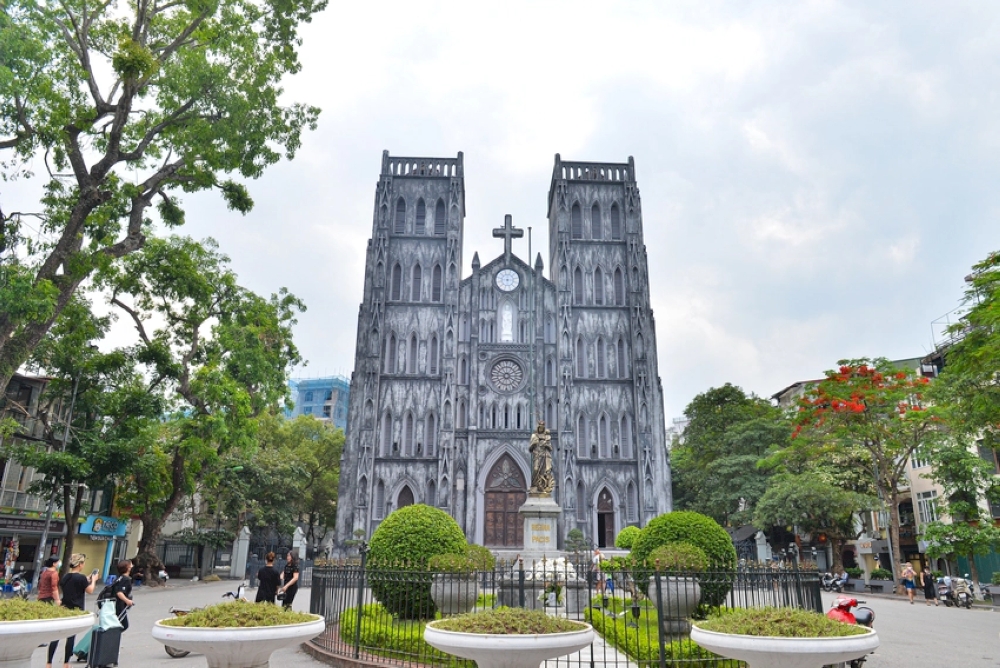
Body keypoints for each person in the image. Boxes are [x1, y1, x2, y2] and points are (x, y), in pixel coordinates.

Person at [47, 554, 98, 668]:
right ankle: (66, 663)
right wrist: (93, 580)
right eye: (83, 563)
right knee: (70, 637)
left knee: (56, 636)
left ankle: (49, 663)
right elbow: (90, 590)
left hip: (64, 607)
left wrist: (87, 578)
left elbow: (76, 584)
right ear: (80, 564)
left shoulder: (66, 576)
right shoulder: (81, 578)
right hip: (76, 609)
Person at [111, 559, 135, 630]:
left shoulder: (119, 577)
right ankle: (112, 638)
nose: (132, 566)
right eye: (131, 565)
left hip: (114, 604)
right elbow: (119, 592)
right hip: (119, 605)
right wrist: (127, 601)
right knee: (124, 625)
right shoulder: (125, 579)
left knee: (116, 624)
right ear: (128, 568)